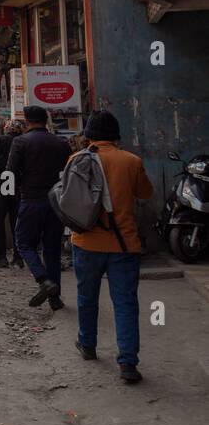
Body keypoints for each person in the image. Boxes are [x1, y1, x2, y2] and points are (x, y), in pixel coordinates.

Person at [70, 110, 153, 383]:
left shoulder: (76, 159)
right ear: (116, 135)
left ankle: (88, 345)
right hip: (124, 244)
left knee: (86, 296)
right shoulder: (132, 161)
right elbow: (145, 194)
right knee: (126, 303)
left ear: (89, 135)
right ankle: (128, 363)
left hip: (85, 242)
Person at [7, 104, 73, 309]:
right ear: (46, 121)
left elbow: (10, 173)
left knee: (24, 243)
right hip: (56, 202)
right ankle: (55, 299)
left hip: (31, 200)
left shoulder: (20, 142)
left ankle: (43, 280)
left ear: (27, 122)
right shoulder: (62, 143)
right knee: (52, 249)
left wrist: (11, 195)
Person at [0, 120, 25, 268]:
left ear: (6, 129)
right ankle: (18, 256)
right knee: (16, 222)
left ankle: (1, 257)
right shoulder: (23, 143)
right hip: (16, 186)